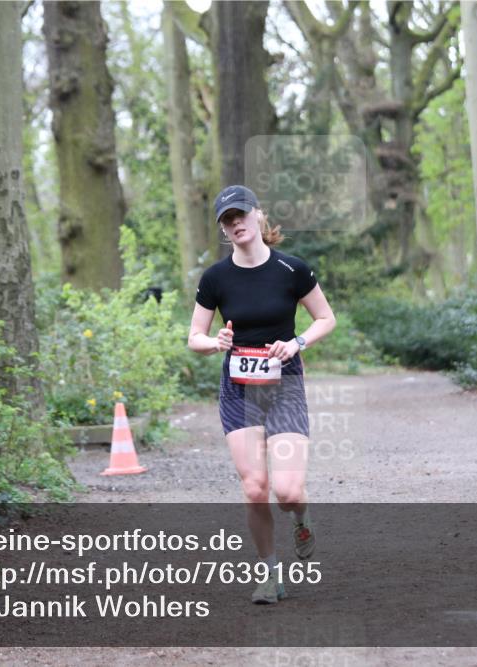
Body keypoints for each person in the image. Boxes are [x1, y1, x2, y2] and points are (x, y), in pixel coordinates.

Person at [187, 185, 336, 604]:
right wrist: (214, 342)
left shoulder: (292, 269)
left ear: (258, 215)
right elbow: (194, 336)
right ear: (223, 229)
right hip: (238, 390)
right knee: (255, 488)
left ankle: (301, 517)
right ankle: (269, 574)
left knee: (288, 493)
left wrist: (297, 343)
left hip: (284, 385)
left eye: (240, 214)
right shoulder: (215, 278)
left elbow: (326, 318)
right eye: (227, 219)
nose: (235, 223)